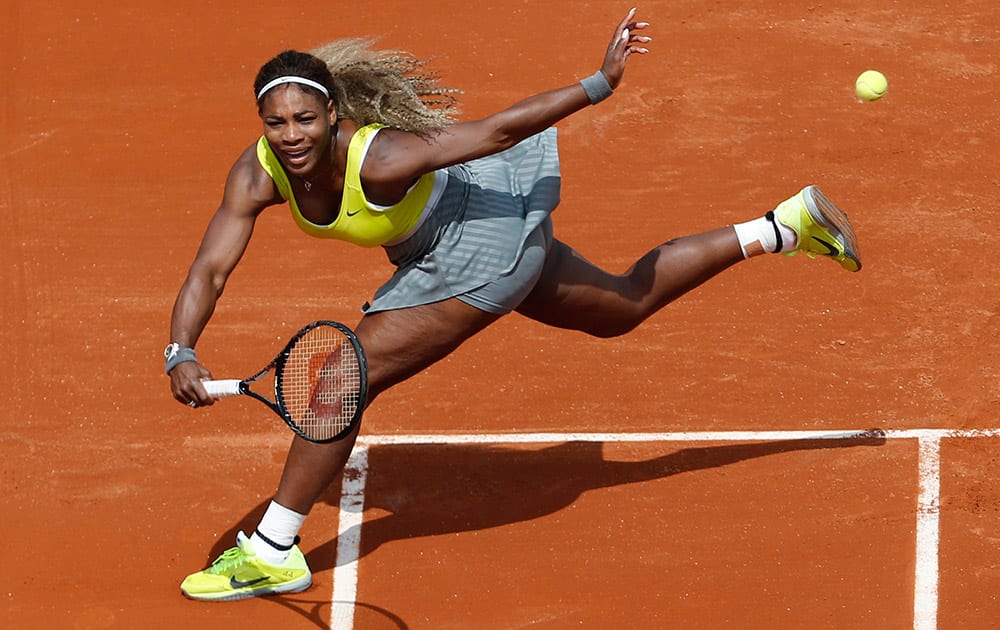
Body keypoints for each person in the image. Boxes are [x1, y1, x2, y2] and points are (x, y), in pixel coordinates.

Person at [166, 8, 861, 601]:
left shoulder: (380, 158)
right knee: (619, 306)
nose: (291, 136)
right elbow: (210, 268)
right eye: (276, 122)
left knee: (343, 377)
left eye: (305, 120)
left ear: (332, 115)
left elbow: (497, 131)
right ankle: (782, 227)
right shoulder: (255, 173)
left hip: (477, 246)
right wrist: (182, 348)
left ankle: (273, 550)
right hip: (473, 234)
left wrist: (600, 82)